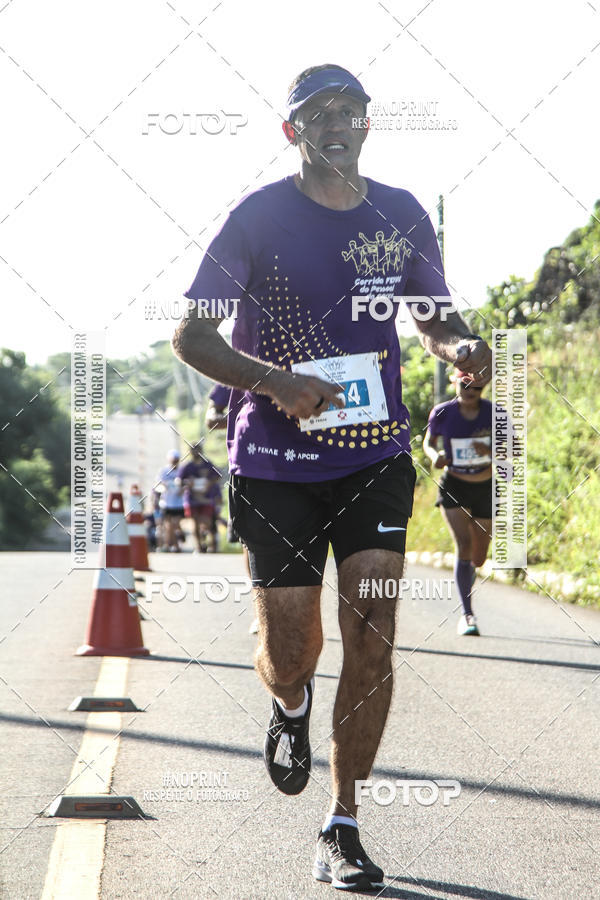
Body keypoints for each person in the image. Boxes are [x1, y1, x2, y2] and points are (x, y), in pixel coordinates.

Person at [172, 63, 491, 891]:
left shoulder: (402, 213)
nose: (338, 123)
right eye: (319, 114)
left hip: (375, 456)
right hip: (275, 464)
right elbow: (191, 338)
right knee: (290, 652)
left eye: (351, 110)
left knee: (372, 637)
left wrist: (461, 346)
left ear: (367, 124)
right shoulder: (256, 218)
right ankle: (290, 706)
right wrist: (275, 382)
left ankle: (342, 823)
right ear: (294, 132)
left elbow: (434, 316)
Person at [423, 371, 493, 635]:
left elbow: (515, 448)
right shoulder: (442, 412)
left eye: (477, 387)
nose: (470, 391)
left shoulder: (494, 413)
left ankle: (468, 573)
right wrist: (435, 456)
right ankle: (467, 615)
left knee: (479, 557)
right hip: (454, 484)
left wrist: (491, 451)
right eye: (465, 385)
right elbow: (429, 443)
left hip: (485, 487)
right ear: (455, 383)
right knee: (463, 545)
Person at [177, 441, 222, 553]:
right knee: (195, 523)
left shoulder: (208, 464)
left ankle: (208, 541)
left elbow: (218, 475)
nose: (195, 452)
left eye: (197, 449)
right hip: (192, 499)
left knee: (207, 521)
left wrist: (209, 483)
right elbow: (179, 481)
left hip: (206, 497)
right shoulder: (187, 466)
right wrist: (188, 483)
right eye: (193, 449)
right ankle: (199, 546)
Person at [155, 448, 185, 552]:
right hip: (166, 502)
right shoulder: (164, 471)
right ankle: (169, 544)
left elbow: (186, 484)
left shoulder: (182, 471)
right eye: (173, 460)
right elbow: (158, 484)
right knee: (168, 524)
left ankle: (174, 544)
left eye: (176, 460)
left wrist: (182, 489)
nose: (174, 463)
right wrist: (164, 485)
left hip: (179, 503)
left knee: (175, 524)